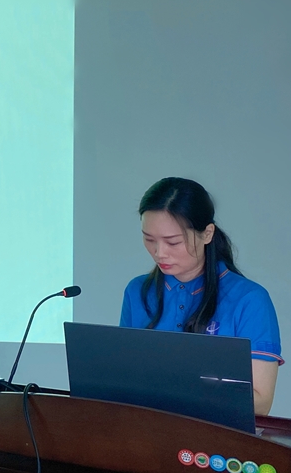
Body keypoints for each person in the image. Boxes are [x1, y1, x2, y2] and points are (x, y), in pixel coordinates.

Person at [120, 177, 282, 416]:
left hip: (215, 436)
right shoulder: (137, 291)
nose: (159, 253)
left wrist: (175, 390)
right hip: (146, 431)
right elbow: (124, 378)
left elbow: (260, 403)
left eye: (173, 242)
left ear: (207, 234)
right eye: (149, 239)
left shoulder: (250, 300)